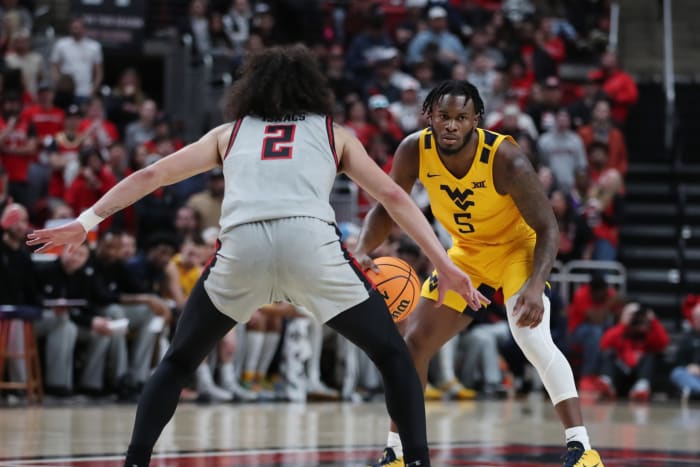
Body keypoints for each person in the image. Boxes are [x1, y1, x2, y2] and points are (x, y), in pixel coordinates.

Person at [26, 45, 486, 467]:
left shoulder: (230, 133)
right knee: (393, 356)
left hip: (241, 248)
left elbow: (153, 175)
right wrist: (444, 265)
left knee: (179, 362)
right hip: (311, 244)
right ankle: (420, 463)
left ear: (251, 88)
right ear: (311, 88)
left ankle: (134, 462)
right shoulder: (332, 132)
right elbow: (393, 196)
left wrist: (85, 221)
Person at [354, 80, 604, 467]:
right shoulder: (413, 150)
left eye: (460, 118)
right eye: (443, 117)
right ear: (430, 117)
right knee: (412, 346)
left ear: (476, 120)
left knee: (531, 338)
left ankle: (582, 448)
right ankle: (398, 452)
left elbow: (548, 226)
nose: (451, 125)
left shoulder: (506, 158)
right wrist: (361, 249)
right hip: (466, 255)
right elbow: (387, 208)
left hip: (516, 250)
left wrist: (536, 285)